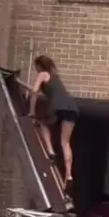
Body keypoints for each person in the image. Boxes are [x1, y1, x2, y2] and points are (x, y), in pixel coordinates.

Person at [28, 55, 79, 196]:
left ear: (39, 66)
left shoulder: (42, 74)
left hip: (57, 107)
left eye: (36, 66)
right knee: (65, 142)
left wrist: (31, 111)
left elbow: (34, 91)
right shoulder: (56, 77)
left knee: (43, 124)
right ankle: (69, 175)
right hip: (72, 108)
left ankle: (50, 151)